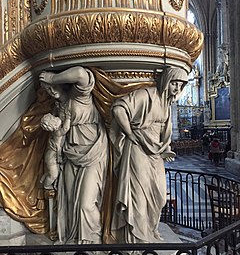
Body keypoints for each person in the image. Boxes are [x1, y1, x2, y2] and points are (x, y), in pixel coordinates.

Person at [110, 67, 188, 245]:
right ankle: (137, 238)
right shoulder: (147, 95)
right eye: (174, 83)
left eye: (180, 85)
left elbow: (162, 133)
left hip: (155, 153)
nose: (176, 88)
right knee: (138, 194)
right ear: (166, 81)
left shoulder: (167, 103)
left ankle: (150, 229)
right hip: (137, 149)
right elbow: (119, 109)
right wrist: (130, 134)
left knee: (159, 194)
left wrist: (165, 148)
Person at [39, 66, 109, 244]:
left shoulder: (80, 96)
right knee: (70, 200)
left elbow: (80, 73)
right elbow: (57, 137)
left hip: (92, 152)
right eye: (47, 88)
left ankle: (92, 238)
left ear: (64, 83)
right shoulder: (59, 109)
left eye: (52, 85)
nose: (51, 90)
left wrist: (53, 78)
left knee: (86, 203)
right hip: (70, 154)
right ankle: (74, 237)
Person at [40, 112, 71, 189]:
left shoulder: (55, 132)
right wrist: (68, 118)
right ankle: (46, 185)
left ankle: (43, 180)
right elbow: (65, 129)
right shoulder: (57, 133)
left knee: (50, 172)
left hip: (51, 155)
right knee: (53, 175)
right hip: (51, 157)